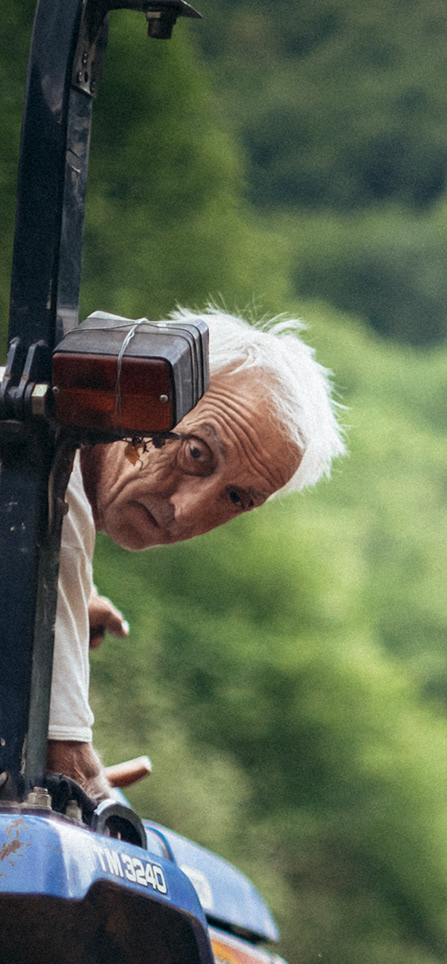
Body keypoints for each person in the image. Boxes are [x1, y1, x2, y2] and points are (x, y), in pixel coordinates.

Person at [45, 310, 346, 800]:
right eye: (197, 453)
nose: (185, 511)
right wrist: (81, 780)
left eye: (236, 498)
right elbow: (69, 775)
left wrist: (61, 601)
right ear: (146, 390)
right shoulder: (30, 462)